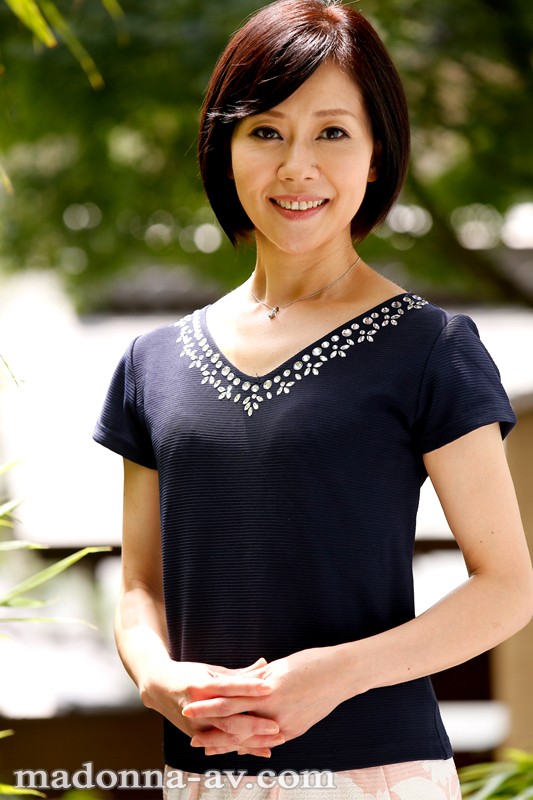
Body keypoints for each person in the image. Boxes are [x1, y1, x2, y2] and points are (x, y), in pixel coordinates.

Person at [93, 0, 533, 797]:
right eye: (265, 131)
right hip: (198, 776)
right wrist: (159, 679)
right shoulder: (151, 362)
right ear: (225, 150)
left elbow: (505, 588)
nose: (297, 166)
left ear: (375, 156)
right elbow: (139, 590)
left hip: (377, 774)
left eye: (332, 132)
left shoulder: (429, 348)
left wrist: (335, 675)